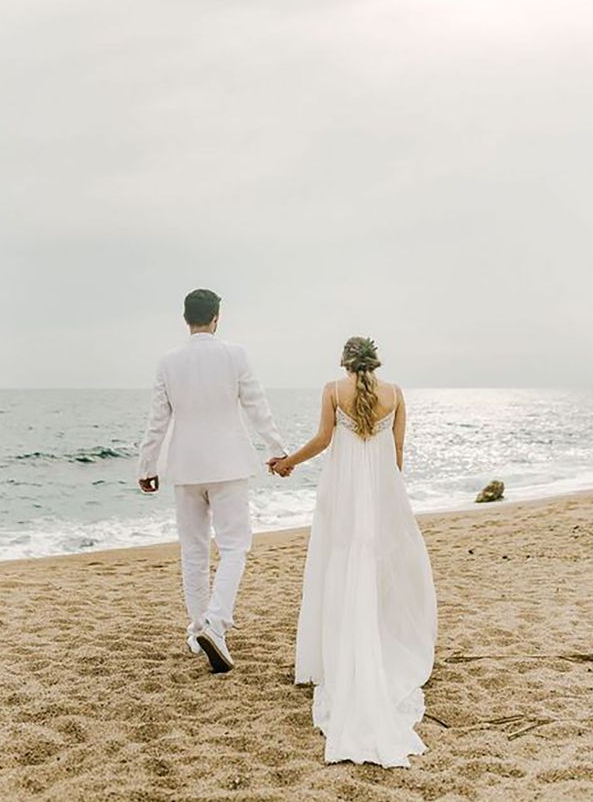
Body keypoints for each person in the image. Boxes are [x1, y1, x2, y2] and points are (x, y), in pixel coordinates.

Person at [269, 336, 437, 768]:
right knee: (381, 569)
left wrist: (289, 461)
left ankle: (342, 649)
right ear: (376, 361)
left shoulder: (332, 390)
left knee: (341, 566)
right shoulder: (396, 394)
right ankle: (379, 641)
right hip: (381, 496)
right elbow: (397, 454)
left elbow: (324, 440)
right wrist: (389, 498)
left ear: (344, 362)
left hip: (342, 497)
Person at [137, 288, 287, 674]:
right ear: (217, 317)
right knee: (235, 547)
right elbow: (257, 406)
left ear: (185, 319)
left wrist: (146, 466)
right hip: (229, 464)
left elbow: (158, 421)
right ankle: (215, 624)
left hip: (185, 467)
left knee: (194, 551)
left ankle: (198, 628)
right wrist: (277, 449)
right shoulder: (235, 355)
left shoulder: (168, 362)